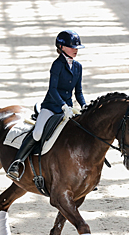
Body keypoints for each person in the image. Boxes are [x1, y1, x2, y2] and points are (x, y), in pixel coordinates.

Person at [6, 30, 87, 181]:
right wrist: (63, 106)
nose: (76, 50)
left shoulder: (78, 67)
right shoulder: (57, 65)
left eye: (77, 47)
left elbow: (79, 92)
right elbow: (53, 90)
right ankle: (17, 163)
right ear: (61, 47)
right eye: (72, 47)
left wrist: (84, 105)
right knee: (37, 134)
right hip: (51, 107)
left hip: (68, 109)